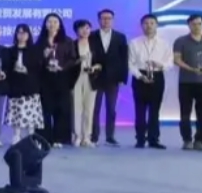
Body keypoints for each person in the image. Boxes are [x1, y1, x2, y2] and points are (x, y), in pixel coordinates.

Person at [173, 14, 202, 151]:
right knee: (185, 112)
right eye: (193, 24)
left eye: (199, 23)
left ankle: (200, 140)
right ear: (189, 25)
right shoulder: (180, 41)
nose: (197, 26)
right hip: (186, 81)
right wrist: (191, 69)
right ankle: (187, 139)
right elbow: (177, 59)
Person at [88, 9, 129, 146]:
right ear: (99, 20)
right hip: (95, 77)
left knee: (111, 108)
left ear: (113, 20)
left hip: (113, 78)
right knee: (95, 108)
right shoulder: (91, 36)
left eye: (109, 18)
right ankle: (94, 136)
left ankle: (110, 136)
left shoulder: (120, 37)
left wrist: (123, 78)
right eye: (103, 18)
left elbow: (124, 58)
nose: (106, 21)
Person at [128, 13, 167, 149]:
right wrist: (140, 76)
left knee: (155, 110)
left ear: (156, 25)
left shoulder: (164, 44)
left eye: (152, 23)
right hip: (140, 77)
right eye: (146, 23)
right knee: (139, 110)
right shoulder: (134, 43)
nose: (149, 26)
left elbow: (170, 62)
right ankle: (140, 139)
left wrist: (160, 65)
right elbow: (130, 63)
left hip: (157, 76)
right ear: (141, 26)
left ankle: (153, 139)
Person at [37, 13, 76, 145]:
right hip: (45, 79)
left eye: (55, 22)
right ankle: (45, 138)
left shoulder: (67, 41)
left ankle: (60, 138)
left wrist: (62, 66)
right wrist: (43, 56)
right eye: (49, 22)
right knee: (45, 109)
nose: (52, 24)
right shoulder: (41, 41)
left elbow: (73, 59)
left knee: (62, 109)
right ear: (45, 25)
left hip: (62, 78)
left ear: (59, 25)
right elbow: (35, 61)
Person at [3, 24, 44, 143]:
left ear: (28, 35)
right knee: (16, 111)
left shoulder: (35, 50)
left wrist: (27, 70)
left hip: (31, 85)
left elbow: (39, 68)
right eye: (19, 33)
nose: (21, 35)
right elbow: (6, 67)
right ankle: (16, 135)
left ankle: (31, 136)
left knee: (31, 113)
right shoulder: (10, 50)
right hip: (15, 85)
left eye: (24, 33)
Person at [71, 19, 100, 147]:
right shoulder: (72, 44)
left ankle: (87, 137)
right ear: (76, 30)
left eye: (88, 28)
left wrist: (94, 68)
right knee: (76, 108)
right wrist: (79, 60)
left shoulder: (95, 45)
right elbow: (68, 63)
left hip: (91, 78)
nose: (85, 30)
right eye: (82, 28)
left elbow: (101, 63)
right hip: (76, 78)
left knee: (89, 108)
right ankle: (77, 136)